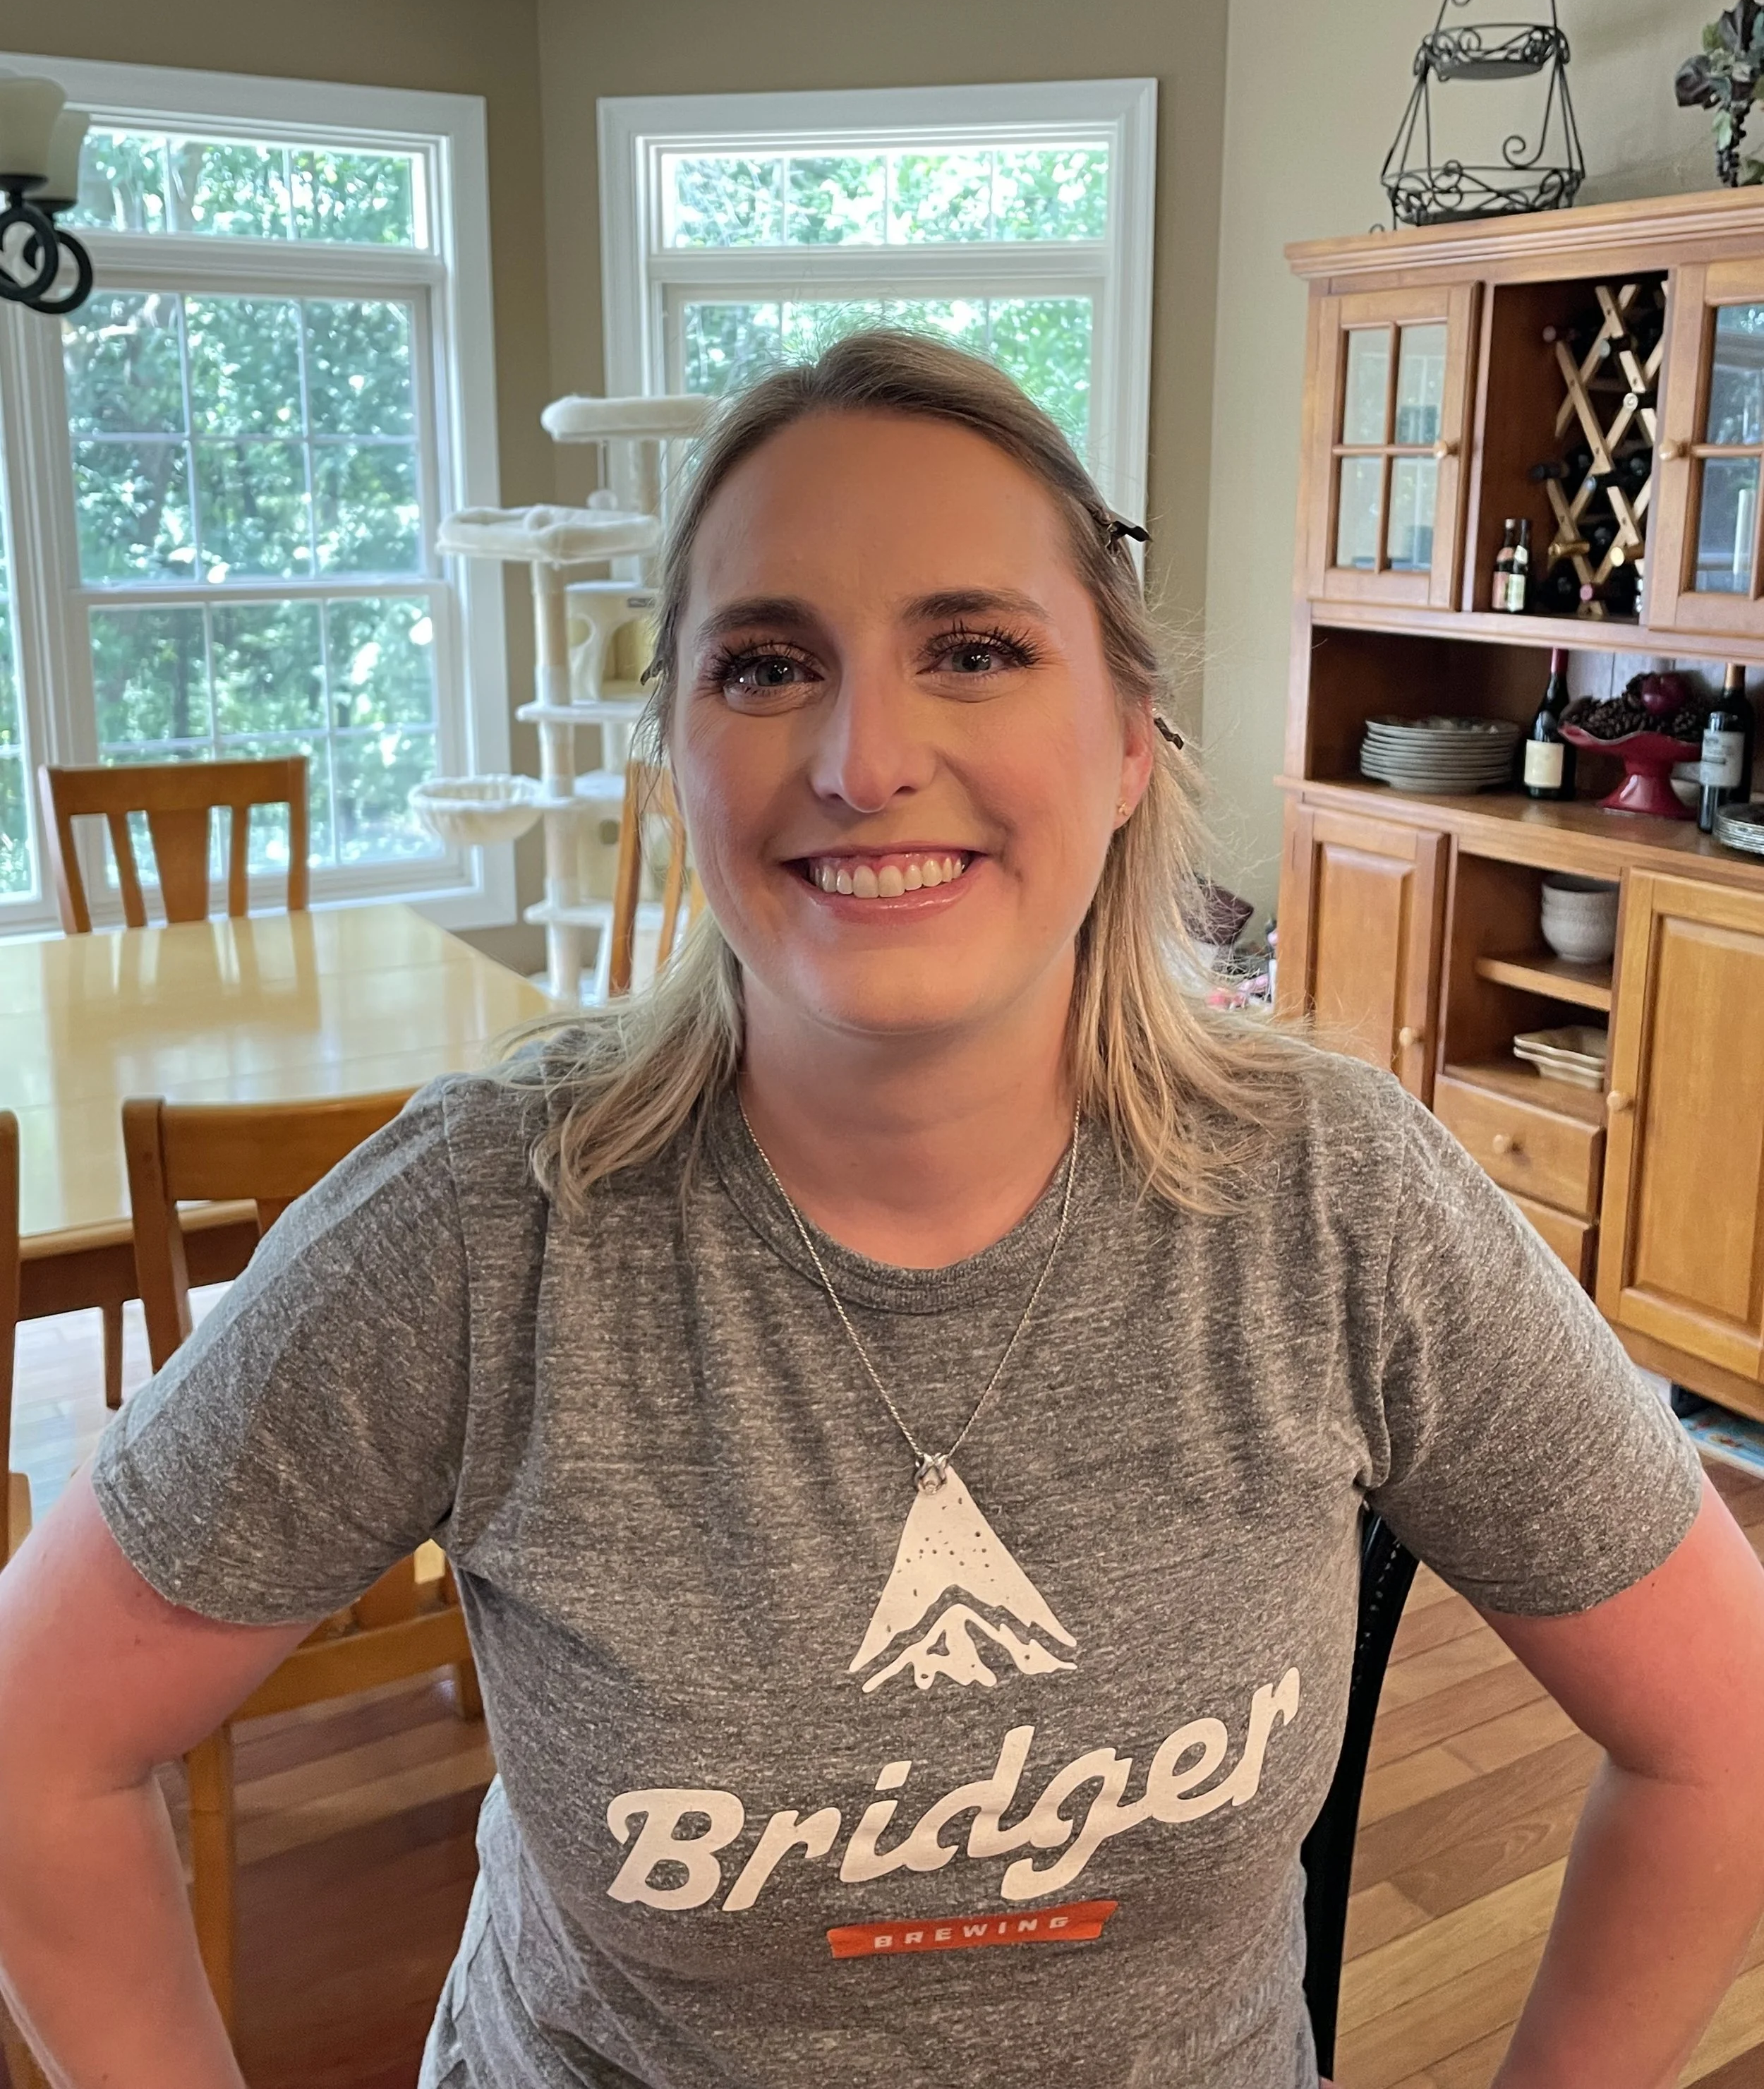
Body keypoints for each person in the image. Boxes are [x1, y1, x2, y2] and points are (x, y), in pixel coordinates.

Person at [2, 332, 1763, 2089]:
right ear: (674, 754)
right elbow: (35, 1749)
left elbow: (1723, 1731)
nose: (863, 758)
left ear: (1127, 738)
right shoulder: (486, 1226)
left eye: (974, 650)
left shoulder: (1338, 1202)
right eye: (766, 665)